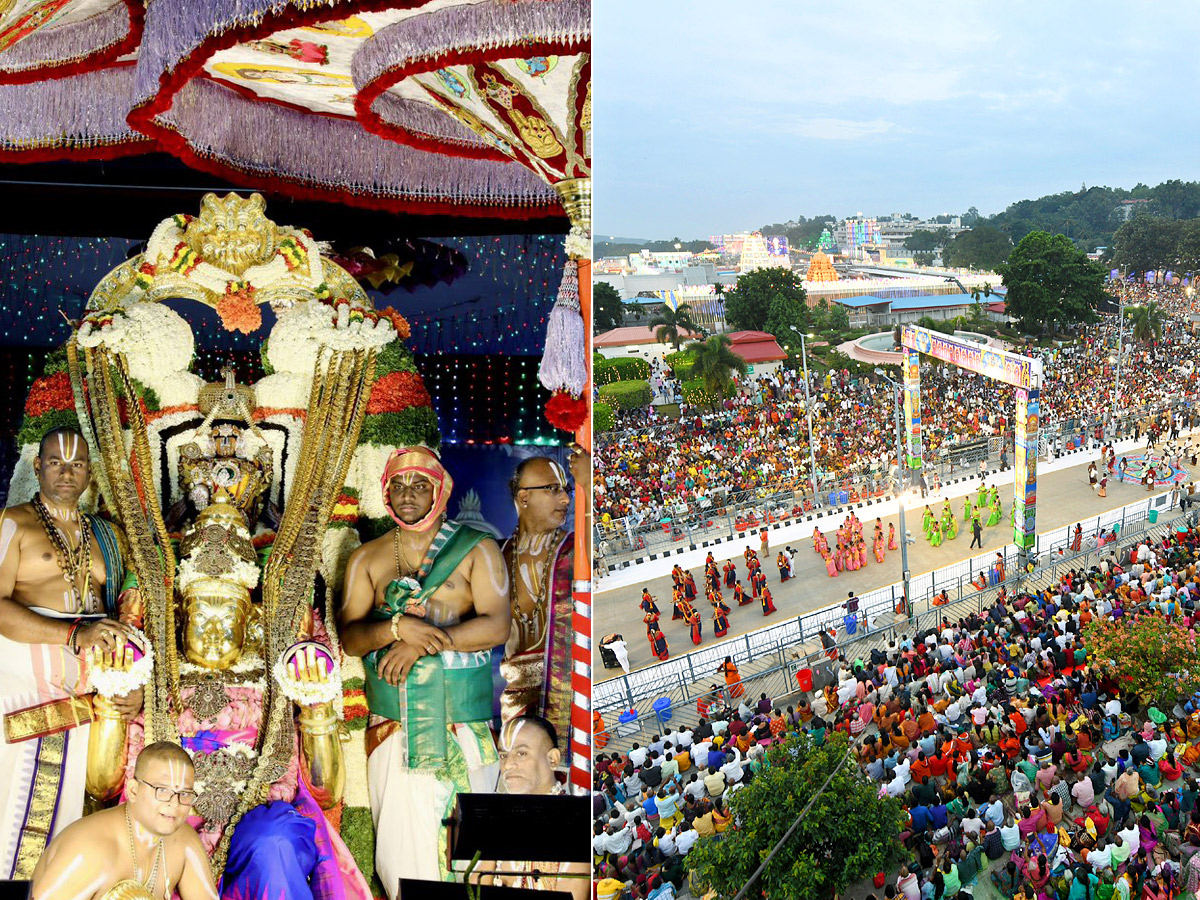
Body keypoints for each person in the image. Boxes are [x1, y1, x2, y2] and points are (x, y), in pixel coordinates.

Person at [340, 446, 510, 891]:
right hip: (394, 727)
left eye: (419, 485)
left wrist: (425, 643)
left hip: (462, 725)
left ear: (440, 490)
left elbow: (497, 624)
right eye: (397, 485)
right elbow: (351, 637)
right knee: (401, 857)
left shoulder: (477, 548)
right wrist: (396, 628)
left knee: (473, 854)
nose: (407, 494)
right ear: (385, 493)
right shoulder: (366, 559)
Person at [0, 427, 134, 879]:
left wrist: (127, 681)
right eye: (56, 461)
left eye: (76, 464)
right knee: (19, 817)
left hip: (90, 698)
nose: (65, 472)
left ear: (89, 473)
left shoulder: (106, 536)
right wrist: (74, 633)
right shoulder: (12, 523)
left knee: (77, 821)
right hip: (27, 692)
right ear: (37, 466)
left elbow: (121, 615)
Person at [30, 741, 219, 900]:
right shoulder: (90, 850)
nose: (174, 803)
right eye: (162, 790)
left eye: (184, 794)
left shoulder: (183, 841)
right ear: (133, 790)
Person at [500, 452, 586, 787]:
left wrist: (590, 489)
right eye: (553, 489)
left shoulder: (573, 550)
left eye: (568, 489)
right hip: (515, 704)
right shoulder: (494, 555)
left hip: (567, 698)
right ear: (524, 497)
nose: (565, 498)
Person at [485, 716, 589, 899]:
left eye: (522, 753)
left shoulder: (576, 826)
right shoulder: (494, 822)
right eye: (503, 755)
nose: (508, 765)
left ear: (552, 759)